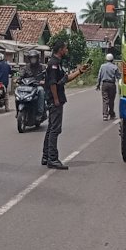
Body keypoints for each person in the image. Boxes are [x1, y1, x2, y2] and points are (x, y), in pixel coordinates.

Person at [43, 39, 90, 170]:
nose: (67, 50)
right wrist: (56, 99)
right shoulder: (53, 64)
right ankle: (52, 158)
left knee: (51, 128)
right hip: (55, 100)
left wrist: (80, 71)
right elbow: (53, 83)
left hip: (56, 99)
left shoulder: (58, 63)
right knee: (55, 129)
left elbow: (65, 78)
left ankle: (46, 156)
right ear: (60, 49)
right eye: (65, 48)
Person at [19, 49, 46, 121]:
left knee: (41, 90)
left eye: (34, 58)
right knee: (18, 90)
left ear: (37, 58)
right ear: (29, 59)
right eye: (31, 58)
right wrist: (18, 79)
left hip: (37, 86)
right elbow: (21, 75)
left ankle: (40, 113)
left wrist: (43, 81)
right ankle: (18, 110)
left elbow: (46, 76)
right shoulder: (26, 67)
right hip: (27, 87)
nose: (33, 60)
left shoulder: (42, 67)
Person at [96, 53, 121, 121]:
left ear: (106, 59)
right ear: (112, 59)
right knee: (111, 100)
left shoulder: (102, 66)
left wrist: (98, 85)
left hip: (104, 84)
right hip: (112, 85)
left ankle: (105, 115)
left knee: (105, 100)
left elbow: (99, 76)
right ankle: (111, 114)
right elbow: (118, 77)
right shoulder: (115, 67)